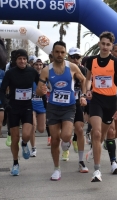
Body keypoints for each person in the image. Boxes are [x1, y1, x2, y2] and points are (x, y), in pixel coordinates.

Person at [36, 41, 87, 181]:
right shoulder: (47, 70)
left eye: (62, 52)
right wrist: (42, 90)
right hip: (53, 107)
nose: (59, 55)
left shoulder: (72, 67)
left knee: (65, 136)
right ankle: (57, 169)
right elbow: (38, 91)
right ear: (52, 53)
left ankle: (67, 144)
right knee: (54, 140)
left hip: (69, 106)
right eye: (57, 52)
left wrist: (83, 96)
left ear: (65, 54)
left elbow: (83, 80)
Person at [84, 32, 117, 182]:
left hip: (110, 103)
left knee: (102, 136)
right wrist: (87, 91)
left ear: (111, 46)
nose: (105, 47)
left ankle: (96, 147)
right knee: (96, 134)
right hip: (96, 100)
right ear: (99, 44)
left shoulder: (115, 62)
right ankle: (97, 171)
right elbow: (88, 79)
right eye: (103, 43)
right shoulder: (92, 61)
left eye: (108, 44)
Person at [0, 49, 40, 176]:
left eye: (24, 58)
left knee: (27, 134)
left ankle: (24, 144)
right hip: (13, 108)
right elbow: (1, 91)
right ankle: (15, 163)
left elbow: (41, 84)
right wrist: (5, 103)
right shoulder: (10, 73)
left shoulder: (32, 72)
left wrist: (43, 92)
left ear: (27, 60)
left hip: (27, 106)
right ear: (15, 60)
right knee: (15, 137)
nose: (22, 61)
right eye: (19, 59)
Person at [66, 47, 89, 173]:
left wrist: (84, 95)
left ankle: (81, 161)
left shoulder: (83, 70)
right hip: (62, 104)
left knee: (80, 129)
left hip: (76, 101)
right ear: (68, 57)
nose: (75, 59)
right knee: (65, 134)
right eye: (72, 57)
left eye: (77, 57)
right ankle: (66, 144)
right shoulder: (63, 69)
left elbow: (86, 83)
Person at [30, 58, 47, 157]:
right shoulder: (30, 76)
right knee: (33, 125)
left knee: (41, 129)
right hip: (31, 105)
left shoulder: (45, 76)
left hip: (41, 106)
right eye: (36, 64)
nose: (38, 66)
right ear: (33, 65)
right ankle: (33, 148)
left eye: (40, 64)